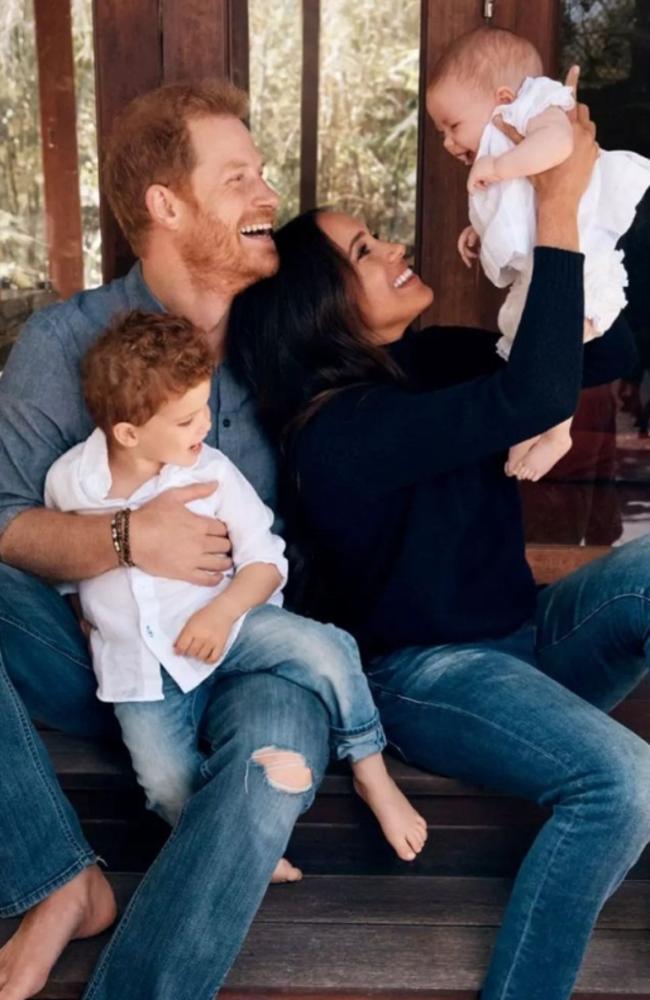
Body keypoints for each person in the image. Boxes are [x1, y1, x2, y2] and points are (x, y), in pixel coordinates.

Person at [227, 99, 650, 1000]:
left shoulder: (433, 360)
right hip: (432, 677)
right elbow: (533, 399)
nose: (392, 251)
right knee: (620, 780)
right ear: (317, 307)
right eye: (363, 253)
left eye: (377, 237)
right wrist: (561, 205)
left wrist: (564, 220)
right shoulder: (336, 434)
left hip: (528, 641)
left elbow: (607, 345)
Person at [0, 78, 336, 1000]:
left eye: (261, 174)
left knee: (274, 765)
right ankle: (57, 879)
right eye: (239, 179)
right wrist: (125, 536)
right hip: (107, 662)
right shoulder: (65, 344)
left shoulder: (290, 338)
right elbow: (2, 526)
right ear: (166, 203)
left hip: (255, 652)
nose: (268, 196)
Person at [44, 309, 426, 860]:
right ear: (128, 432)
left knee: (329, 649)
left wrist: (221, 614)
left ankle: (370, 769)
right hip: (141, 669)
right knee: (163, 781)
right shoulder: (70, 482)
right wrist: (83, 612)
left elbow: (266, 561)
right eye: (185, 420)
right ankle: (226, 845)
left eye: (204, 407)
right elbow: (66, 563)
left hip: (234, 621)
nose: (204, 426)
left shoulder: (212, 473)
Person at [426, 27, 650, 482]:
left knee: (556, 344)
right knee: (525, 340)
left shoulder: (538, 108)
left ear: (503, 97)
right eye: (440, 132)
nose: (449, 142)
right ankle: (530, 425)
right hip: (548, 260)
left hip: (581, 260)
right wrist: (478, 229)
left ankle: (557, 431)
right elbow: (520, 206)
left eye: (453, 125)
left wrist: (499, 166)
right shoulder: (507, 143)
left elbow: (560, 146)